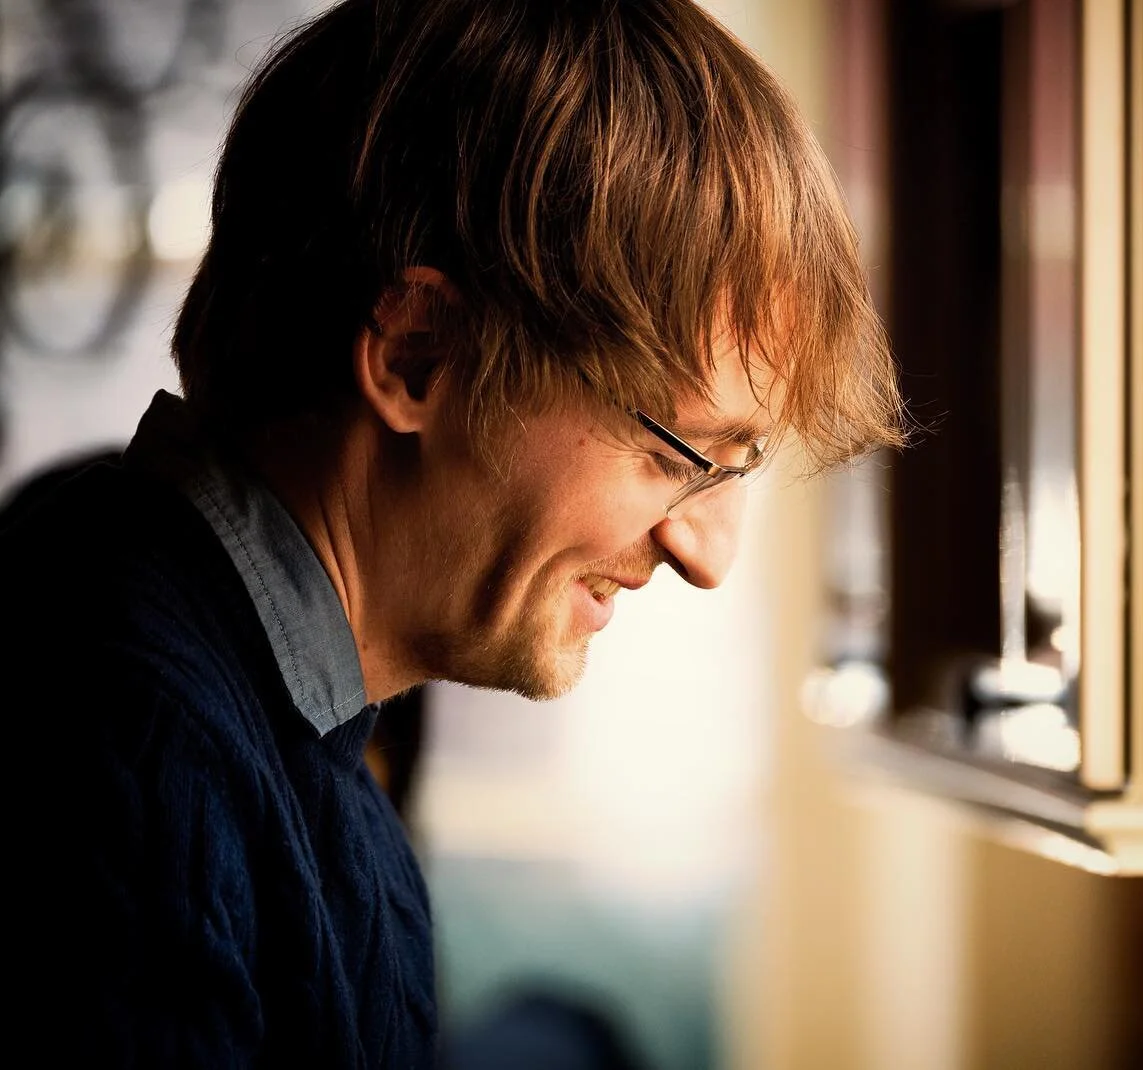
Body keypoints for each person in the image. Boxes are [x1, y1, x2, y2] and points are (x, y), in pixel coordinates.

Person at [2, 0, 904, 1064]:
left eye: (740, 466)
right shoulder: (129, 755)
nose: (708, 555)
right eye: (677, 454)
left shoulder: (260, 699)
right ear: (417, 356)